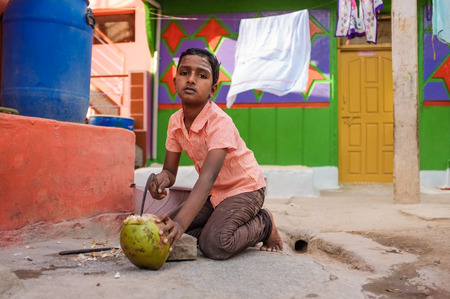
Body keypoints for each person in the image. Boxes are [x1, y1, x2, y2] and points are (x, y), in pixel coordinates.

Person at [148, 48, 283, 260]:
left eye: (201, 75)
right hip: (215, 193)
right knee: (164, 229)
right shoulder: (175, 122)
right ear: (175, 82)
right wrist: (159, 181)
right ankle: (216, 227)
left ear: (212, 90)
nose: (191, 80)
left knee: (215, 245)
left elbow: (207, 178)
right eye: (184, 73)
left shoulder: (220, 123)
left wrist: (182, 223)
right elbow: (169, 172)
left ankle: (264, 223)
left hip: (244, 189)